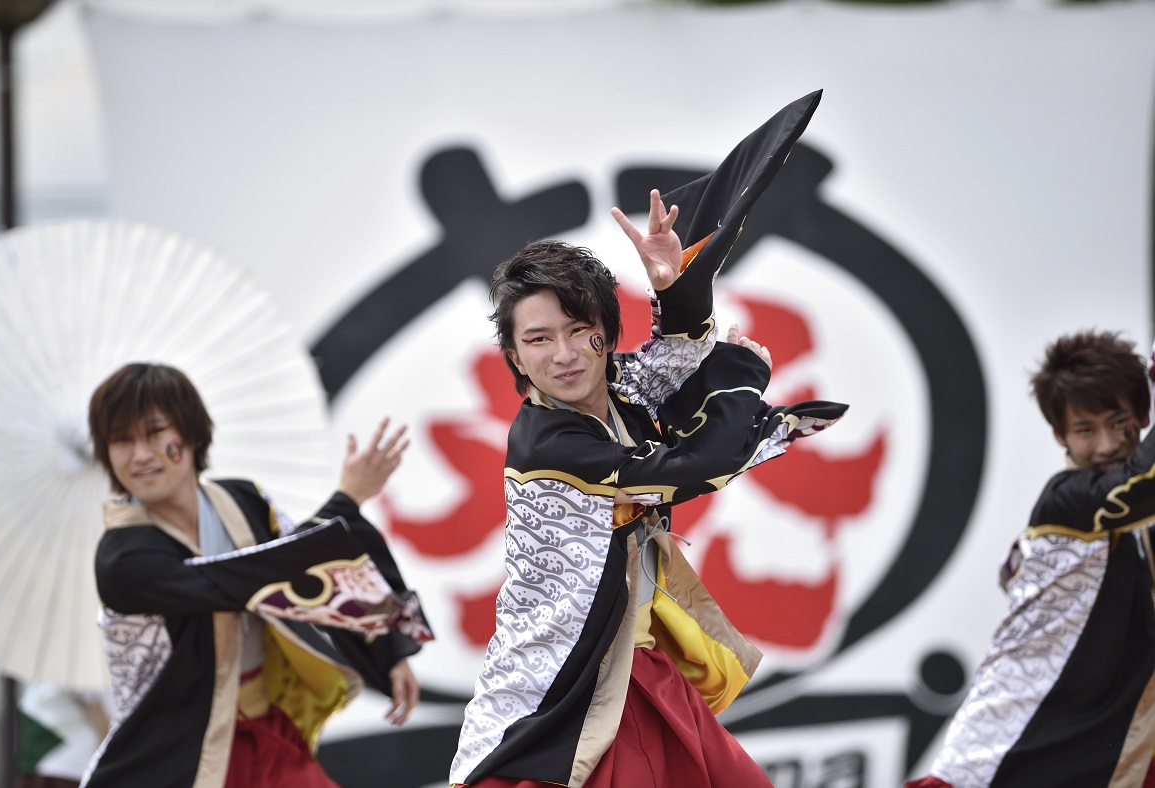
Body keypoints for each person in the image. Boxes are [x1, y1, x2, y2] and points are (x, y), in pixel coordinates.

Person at [449, 90, 848, 788]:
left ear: (605, 333)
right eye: (538, 339)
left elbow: (674, 351)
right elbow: (694, 466)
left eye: (579, 331)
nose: (564, 354)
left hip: (635, 670)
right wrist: (742, 373)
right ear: (513, 357)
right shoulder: (548, 442)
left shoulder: (618, 387)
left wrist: (675, 282)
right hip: (558, 696)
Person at [79, 362, 433, 787]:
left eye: (155, 433)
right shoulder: (123, 559)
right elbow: (249, 581)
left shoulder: (243, 500)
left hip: (268, 735)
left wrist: (386, 649)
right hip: (178, 760)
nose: (140, 454)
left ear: (190, 433)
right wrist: (345, 500)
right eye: (121, 440)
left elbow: (309, 573)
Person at [906, 330, 1155, 788]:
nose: (1105, 445)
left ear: (1142, 416)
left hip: (1103, 750)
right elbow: (1142, 485)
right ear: (1059, 434)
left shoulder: (1134, 528)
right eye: (1085, 429)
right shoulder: (1067, 503)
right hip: (1007, 755)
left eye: (1119, 423)